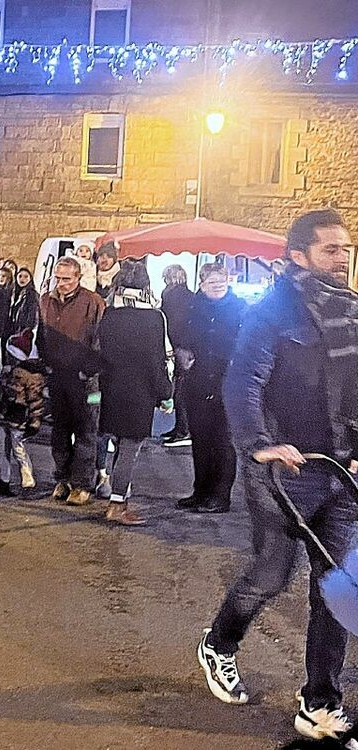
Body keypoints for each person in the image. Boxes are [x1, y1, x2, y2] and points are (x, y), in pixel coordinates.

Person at [197, 209, 358, 747]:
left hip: (342, 473)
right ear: (298, 256)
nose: (342, 257)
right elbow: (244, 379)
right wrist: (261, 444)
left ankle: (320, 702)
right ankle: (219, 642)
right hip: (285, 470)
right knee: (270, 574)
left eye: (345, 248)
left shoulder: (351, 311)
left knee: (335, 589)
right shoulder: (272, 311)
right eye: (330, 250)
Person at [97, 260, 174, 526]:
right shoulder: (153, 318)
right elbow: (157, 360)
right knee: (131, 448)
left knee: (118, 446)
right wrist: (166, 392)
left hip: (112, 387)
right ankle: (118, 504)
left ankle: (118, 498)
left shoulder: (109, 314)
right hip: (139, 391)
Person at [177, 263, 247, 513]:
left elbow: (247, 344)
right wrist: (182, 351)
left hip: (226, 383)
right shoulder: (193, 306)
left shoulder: (240, 308)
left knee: (222, 442)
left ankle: (220, 496)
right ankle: (201, 491)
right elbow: (182, 335)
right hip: (197, 382)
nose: (217, 285)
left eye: (221, 280)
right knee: (200, 440)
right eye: (211, 281)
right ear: (201, 284)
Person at [38, 255, 105, 507]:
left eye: (66, 279)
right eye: (58, 278)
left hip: (86, 380)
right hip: (57, 376)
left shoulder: (93, 302)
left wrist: (88, 370)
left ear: (78, 278)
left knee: (87, 430)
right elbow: (41, 336)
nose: (61, 283)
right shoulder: (46, 301)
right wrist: (45, 364)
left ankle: (83, 484)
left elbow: (100, 341)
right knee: (59, 431)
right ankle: (63, 478)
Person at [0, 328, 45, 496]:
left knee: (17, 448)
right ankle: (5, 480)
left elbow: (35, 402)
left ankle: (26, 477)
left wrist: (34, 423)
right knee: (3, 449)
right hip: (4, 417)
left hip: (17, 418)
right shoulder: (7, 372)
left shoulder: (30, 376)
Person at [160, 263, 195, 447]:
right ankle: (181, 427)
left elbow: (169, 322)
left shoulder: (170, 295)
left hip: (177, 346)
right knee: (182, 389)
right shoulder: (190, 295)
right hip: (187, 347)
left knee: (179, 390)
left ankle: (182, 430)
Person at [5, 267, 40, 340]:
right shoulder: (11, 292)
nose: (22, 279)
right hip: (9, 330)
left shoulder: (32, 295)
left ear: (30, 279)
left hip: (22, 332)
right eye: (20, 276)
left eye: (26, 277)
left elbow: (32, 316)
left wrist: (25, 331)